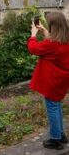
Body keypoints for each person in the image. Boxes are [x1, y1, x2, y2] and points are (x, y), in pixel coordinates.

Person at [28, 12, 69, 150]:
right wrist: (44, 30)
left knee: (52, 108)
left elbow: (33, 48)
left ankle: (55, 139)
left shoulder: (51, 44)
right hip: (61, 81)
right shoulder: (65, 41)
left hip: (51, 82)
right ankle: (61, 134)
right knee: (57, 106)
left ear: (54, 27)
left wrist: (33, 34)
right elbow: (54, 44)